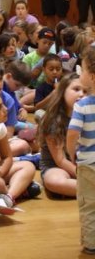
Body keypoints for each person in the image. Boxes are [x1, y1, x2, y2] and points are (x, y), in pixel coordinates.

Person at [37, 73, 85, 198]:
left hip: (83, 163)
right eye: (76, 89)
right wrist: (84, 175)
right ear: (62, 92)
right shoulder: (53, 120)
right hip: (56, 166)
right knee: (54, 182)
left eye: (85, 91)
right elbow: (61, 160)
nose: (81, 94)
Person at [67, 47, 95, 254]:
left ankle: (91, 244)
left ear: (92, 77)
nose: (80, 73)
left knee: (88, 205)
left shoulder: (82, 105)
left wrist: (71, 153)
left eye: (82, 70)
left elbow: (73, 134)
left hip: (88, 165)